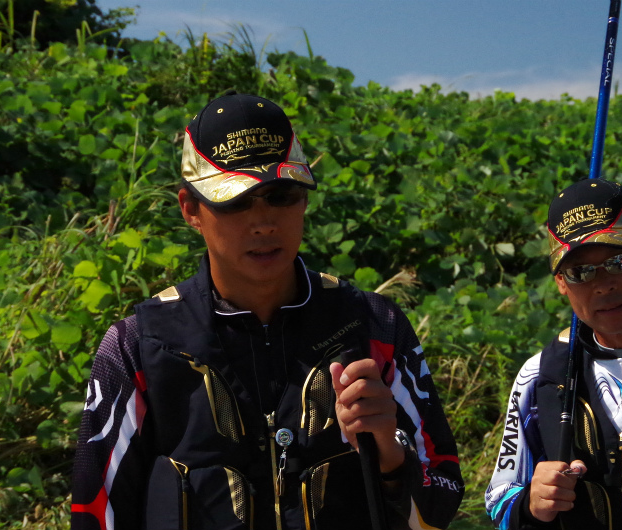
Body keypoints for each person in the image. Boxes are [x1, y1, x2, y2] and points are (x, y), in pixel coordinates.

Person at [70, 92, 464, 530]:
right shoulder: (137, 347)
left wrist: (390, 453)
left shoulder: (375, 326)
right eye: (234, 201)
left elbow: (441, 505)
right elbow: (94, 515)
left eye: (281, 195)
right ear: (190, 209)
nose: (263, 223)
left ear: (305, 200)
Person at [486, 178, 622, 530]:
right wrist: (531, 503)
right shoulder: (540, 376)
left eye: (620, 261)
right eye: (580, 272)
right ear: (561, 282)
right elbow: (499, 501)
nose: (603, 285)